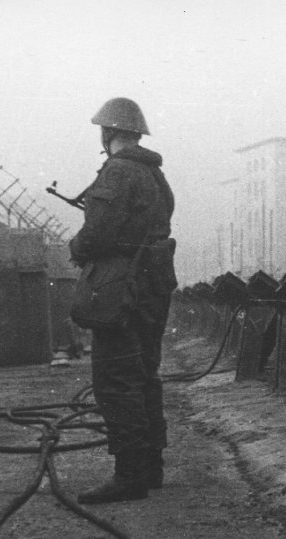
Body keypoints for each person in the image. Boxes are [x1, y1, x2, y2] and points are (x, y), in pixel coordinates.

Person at [69, 97, 176, 504]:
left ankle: (129, 475)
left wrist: (76, 248)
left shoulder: (118, 170)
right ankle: (150, 467)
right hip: (152, 286)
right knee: (145, 373)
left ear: (108, 132)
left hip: (121, 289)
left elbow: (97, 234)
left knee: (116, 379)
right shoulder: (154, 173)